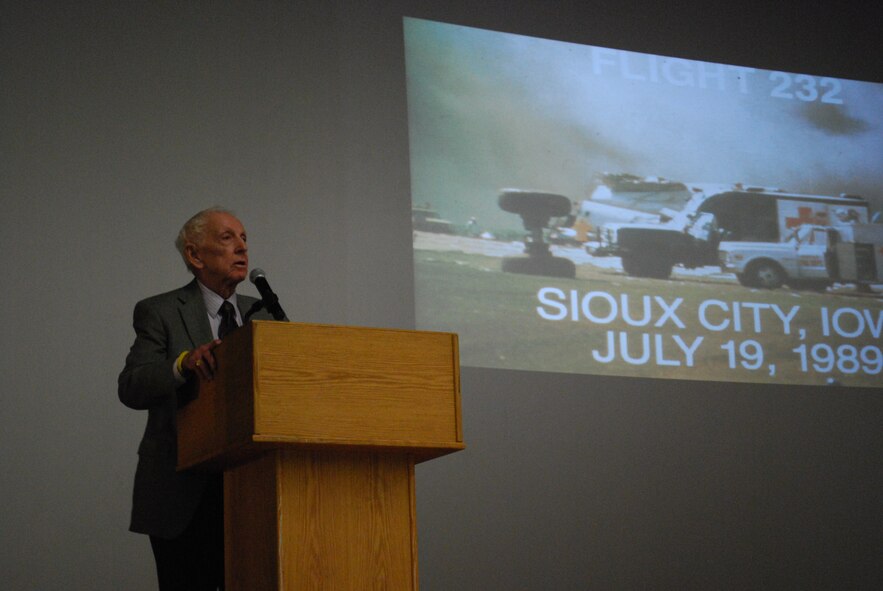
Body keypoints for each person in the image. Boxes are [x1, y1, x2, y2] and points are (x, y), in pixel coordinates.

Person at [118, 207, 274, 590]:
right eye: (227, 238)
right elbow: (133, 384)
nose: (242, 247)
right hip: (183, 496)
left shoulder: (265, 316)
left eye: (244, 238)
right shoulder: (160, 311)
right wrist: (182, 364)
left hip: (252, 493)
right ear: (194, 255)